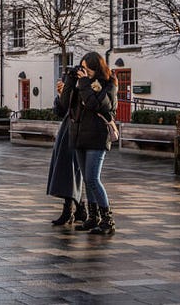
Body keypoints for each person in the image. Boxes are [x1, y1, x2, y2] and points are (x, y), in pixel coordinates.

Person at [63, 52, 118, 236]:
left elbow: (96, 104)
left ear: (97, 68)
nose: (83, 71)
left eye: (87, 68)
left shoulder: (108, 85)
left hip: (97, 137)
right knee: (87, 180)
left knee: (93, 179)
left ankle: (108, 220)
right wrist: (70, 83)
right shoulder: (81, 84)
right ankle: (93, 217)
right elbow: (64, 106)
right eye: (82, 67)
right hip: (79, 137)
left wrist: (84, 84)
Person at [47, 71, 86, 227]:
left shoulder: (83, 89)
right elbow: (59, 111)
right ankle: (78, 208)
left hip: (77, 131)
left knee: (73, 170)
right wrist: (61, 95)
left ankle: (73, 209)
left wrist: (69, 93)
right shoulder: (70, 91)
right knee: (67, 170)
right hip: (66, 132)